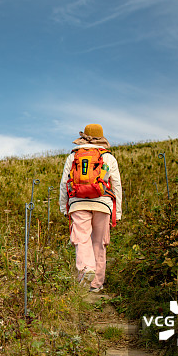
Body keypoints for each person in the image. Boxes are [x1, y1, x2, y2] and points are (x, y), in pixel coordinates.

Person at [58, 124, 122, 292]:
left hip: (78, 202)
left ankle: (86, 269)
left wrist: (64, 207)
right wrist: (117, 212)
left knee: (82, 239)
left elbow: (64, 183)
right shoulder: (108, 157)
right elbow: (116, 186)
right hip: (103, 203)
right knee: (99, 243)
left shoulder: (73, 156)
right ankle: (96, 284)